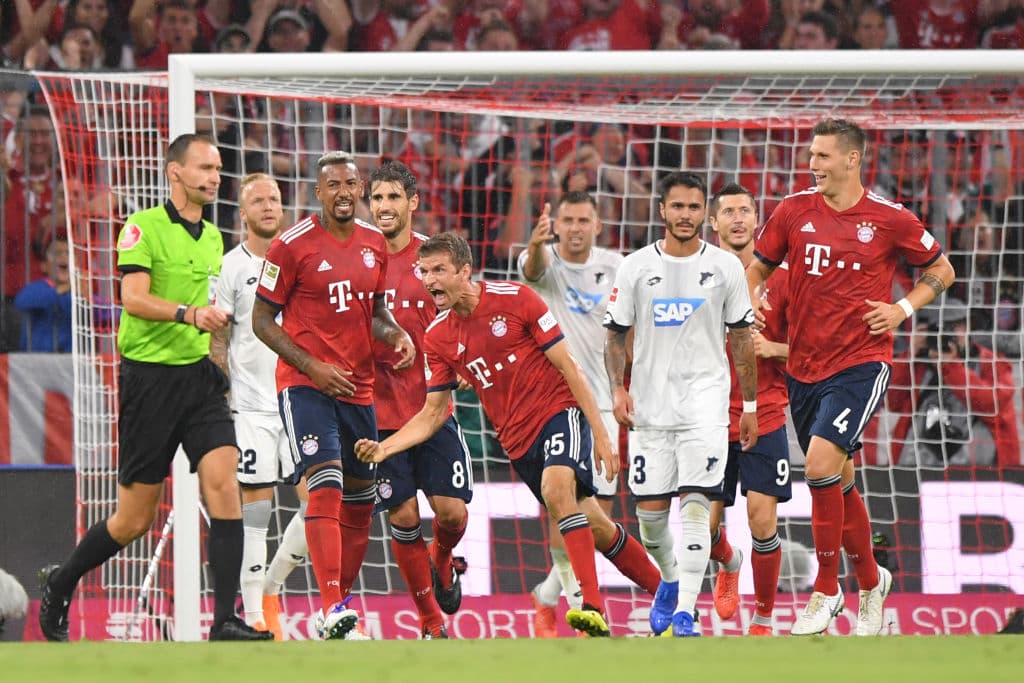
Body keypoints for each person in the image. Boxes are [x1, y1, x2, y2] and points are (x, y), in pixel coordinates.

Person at [355, 232, 661, 637]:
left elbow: (570, 368)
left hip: (558, 412)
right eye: (423, 271)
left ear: (464, 271)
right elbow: (432, 414)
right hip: (517, 442)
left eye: (439, 270)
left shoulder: (516, 298)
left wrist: (602, 435)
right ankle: (667, 596)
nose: (428, 280)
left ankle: (592, 606)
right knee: (598, 526)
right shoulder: (439, 337)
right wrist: (385, 447)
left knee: (557, 491)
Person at [38, 133, 271, 642]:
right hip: (149, 381)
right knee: (133, 519)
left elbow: (213, 316)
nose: (215, 177)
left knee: (224, 486)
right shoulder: (142, 227)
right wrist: (190, 315)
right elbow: (133, 298)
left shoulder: (213, 237)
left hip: (199, 382)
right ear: (176, 173)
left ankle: (225, 620)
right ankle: (63, 580)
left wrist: (220, 363)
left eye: (219, 168)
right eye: (205, 168)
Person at [747, 118, 956, 636]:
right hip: (803, 368)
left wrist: (903, 307)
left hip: (862, 362)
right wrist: (747, 296)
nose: (812, 164)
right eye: (811, 155)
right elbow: (757, 267)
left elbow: (942, 270)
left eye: (822, 156)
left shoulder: (888, 218)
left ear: (851, 159)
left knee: (818, 464)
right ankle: (871, 579)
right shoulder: (793, 211)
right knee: (838, 481)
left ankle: (825, 588)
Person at [251, 151, 415, 641]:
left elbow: (376, 314)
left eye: (350, 184)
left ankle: (337, 614)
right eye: (333, 185)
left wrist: (397, 335)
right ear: (318, 192)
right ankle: (330, 605)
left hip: (359, 389)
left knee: (361, 504)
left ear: (359, 187)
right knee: (326, 486)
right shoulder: (290, 245)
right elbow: (262, 321)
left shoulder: (374, 244)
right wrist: (311, 366)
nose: (343, 193)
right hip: (305, 387)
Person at [603, 171, 759, 638]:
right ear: (662, 212)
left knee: (695, 507)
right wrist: (617, 388)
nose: (686, 215)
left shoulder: (726, 267)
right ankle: (672, 579)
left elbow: (742, 340)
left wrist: (748, 404)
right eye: (678, 207)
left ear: (703, 215)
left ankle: (686, 612)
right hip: (650, 410)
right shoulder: (633, 268)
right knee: (650, 522)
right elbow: (614, 335)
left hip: (706, 410)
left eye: (694, 207)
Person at [368, 161, 471, 640]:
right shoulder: (359, 259)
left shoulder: (431, 260)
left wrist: (467, 363)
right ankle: (430, 623)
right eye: (377, 198)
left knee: (452, 514)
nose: (384, 207)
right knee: (404, 515)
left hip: (432, 409)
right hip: (379, 415)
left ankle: (443, 558)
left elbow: (465, 316)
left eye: (393, 197)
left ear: (412, 203)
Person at [516, 191, 623, 637]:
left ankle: (548, 593)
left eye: (584, 220)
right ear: (554, 224)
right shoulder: (540, 259)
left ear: (597, 226)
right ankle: (582, 605)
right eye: (567, 220)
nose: (575, 227)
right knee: (566, 506)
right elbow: (531, 270)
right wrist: (539, 244)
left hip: (604, 402)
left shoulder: (618, 265)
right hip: (556, 407)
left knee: (599, 516)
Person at [210, 173, 309, 640]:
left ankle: (272, 587)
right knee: (256, 512)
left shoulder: (304, 261)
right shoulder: (229, 267)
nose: (268, 206)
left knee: (321, 505)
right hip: (251, 408)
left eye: (274, 198)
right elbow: (218, 337)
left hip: (303, 402)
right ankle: (254, 615)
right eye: (258, 200)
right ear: (243, 213)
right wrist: (222, 394)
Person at [707, 183, 792, 636]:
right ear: (713, 222)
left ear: (756, 220)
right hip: (710, 417)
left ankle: (761, 618)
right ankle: (727, 562)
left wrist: (771, 346)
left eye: (745, 210)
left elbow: (814, 351)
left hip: (768, 413)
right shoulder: (698, 274)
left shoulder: (784, 278)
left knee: (762, 517)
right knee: (705, 529)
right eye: (728, 212)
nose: (737, 218)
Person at [14, 238, 72, 352]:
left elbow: (109, 313)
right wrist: (65, 289)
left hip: (72, 362)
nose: (64, 257)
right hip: (38, 361)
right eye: (57, 253)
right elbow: (21, 302)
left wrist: (88, 297)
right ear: (44, 265)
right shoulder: (37, 288)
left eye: (68, 253)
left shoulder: (81, 291)